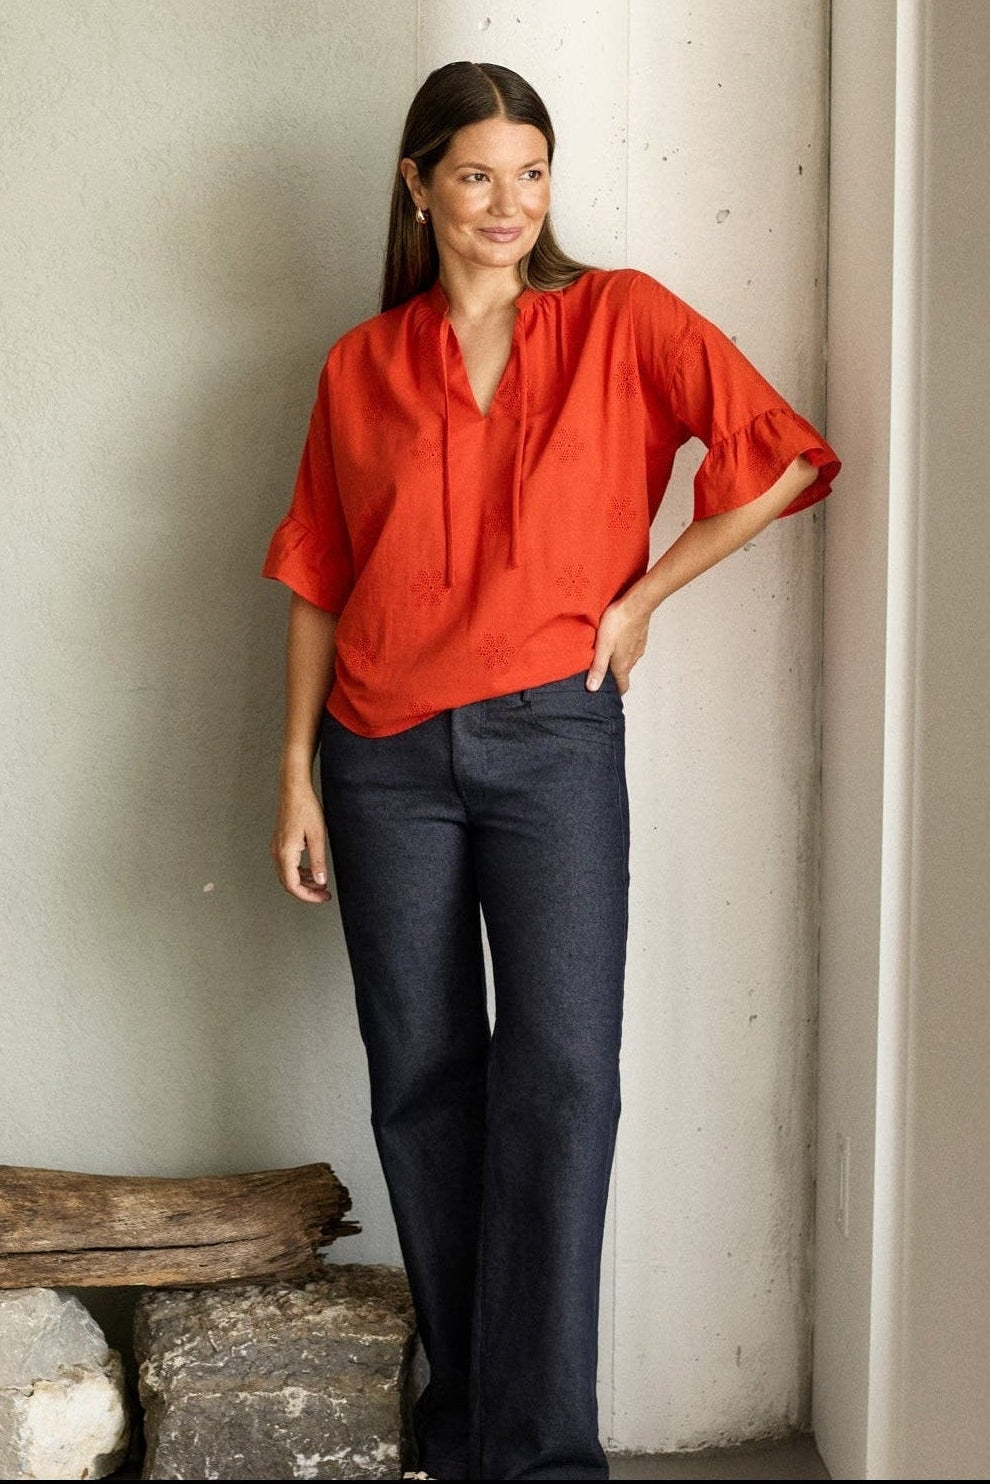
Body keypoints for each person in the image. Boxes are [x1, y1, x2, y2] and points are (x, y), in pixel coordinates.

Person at [262, 60, 840, 1483]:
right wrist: (292, 769)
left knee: (564, 1075)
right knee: (422, 1078)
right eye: (473, 174)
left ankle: (544, 1452)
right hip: (381, 752)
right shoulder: (359, 363)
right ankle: (465, 1431)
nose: (508, 202)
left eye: (530, 171)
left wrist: (641, 596)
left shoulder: (618, 318)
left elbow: (777, 455)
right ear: (416, 186)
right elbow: (319, 579)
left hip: (550, 739)